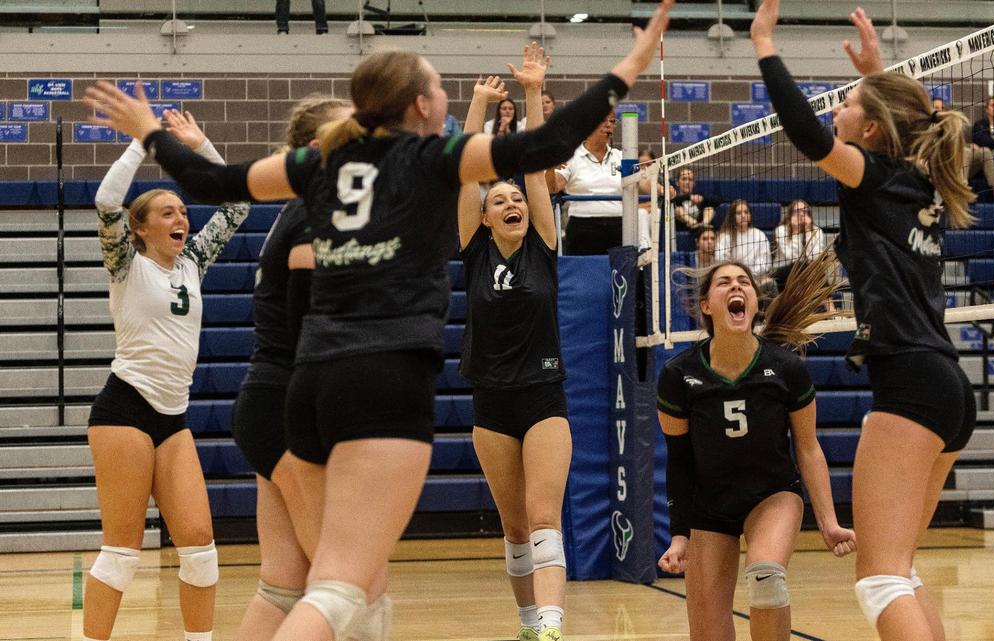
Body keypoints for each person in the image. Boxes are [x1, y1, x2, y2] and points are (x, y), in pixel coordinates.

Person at [84, 4, 675, 640]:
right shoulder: (426, 158)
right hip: (383, 382)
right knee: (347, 587)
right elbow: (545, 146)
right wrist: (628, 69)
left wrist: (149, 131)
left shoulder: (316, 170)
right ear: (418, 106)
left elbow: (213, 177)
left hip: (308, 384)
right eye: (437, 87)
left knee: (293, 583)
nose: (445, 95)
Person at [751, 3, 978, 640]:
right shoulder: (922, 180)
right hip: (948, 388)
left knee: (880, 578)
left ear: (871, 131)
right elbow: (900, 123)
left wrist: (765, 46)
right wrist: (877, 73)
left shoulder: (873, 175)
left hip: (909, 380)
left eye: (848, 102)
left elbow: (806, 134)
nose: (836, 109)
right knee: (900, 571)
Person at [86, 109, 250, 641]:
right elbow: (108, 202)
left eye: (182, 209)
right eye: (166, 212)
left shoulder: (192, 262)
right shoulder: (125, 263)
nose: (180, 217)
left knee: (201, 547)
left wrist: (201, 145)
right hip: (124, 409)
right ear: (141, 227)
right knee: (122, 551)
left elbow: (238, 202)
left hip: (173, 417)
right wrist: (141, 144)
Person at [656, 257, 856, 641]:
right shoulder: (678, 375)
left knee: (766, 577)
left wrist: (828, 522)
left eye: (744, 282)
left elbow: (808, 448)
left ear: (754, 301)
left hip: (772, 496)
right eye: (724, 283)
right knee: (708, 632)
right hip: (708, 505)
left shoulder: (785, 368)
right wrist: (680, 535)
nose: (736, 287)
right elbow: (679, 461)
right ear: (705, 306)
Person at [458, 44, 570, 641]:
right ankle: (528, 623)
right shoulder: (473, 249)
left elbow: (534, 168)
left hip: (542, 395)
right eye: (498, 200)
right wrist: (476, 107)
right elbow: (465, 171)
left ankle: (551, 623)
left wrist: (531, 93)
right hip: (490, 401)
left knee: (545, 514)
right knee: (514, 525)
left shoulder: (542, 247)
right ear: (483, 215)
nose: (512, 203)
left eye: (518, 201)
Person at [230, 95, 352, 641]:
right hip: (286, 405)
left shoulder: (300, 208)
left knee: (283, 585)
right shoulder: (311, 213)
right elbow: (310, 332)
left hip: (267, 404)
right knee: (344, 582)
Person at [546, 110, 623, 255]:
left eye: (612, 121)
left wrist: (662, 189)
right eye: (603, 121)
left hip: (619, 225)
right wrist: (550, 166)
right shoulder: (571, 156)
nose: (608, 126)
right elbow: (552, 187)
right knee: (584, 274)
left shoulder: (621, 156)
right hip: (583, 227)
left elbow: (643, 182)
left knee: (619, 275)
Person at [932, 97, 994, 202]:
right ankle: (963, 189)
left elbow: (958, 143)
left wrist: (970, 146)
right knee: (964, 151)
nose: (939, 111)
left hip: (959, 163)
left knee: (984, 151)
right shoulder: (927, 127)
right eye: (936, 108)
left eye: (941, 108)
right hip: (942, 165)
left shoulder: (949, 125)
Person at [771, 198, 825, 289]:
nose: (801, 214)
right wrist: (796, 231)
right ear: (790, 214)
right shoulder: (781, 230)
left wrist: (808, 232)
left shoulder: (816, 231)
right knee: (801, 265)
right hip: (783, 271)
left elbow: (815, 257)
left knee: (817, 270)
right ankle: (828, 301)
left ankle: (827, 301)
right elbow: (791, 257)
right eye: (797, 211)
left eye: (804, 211)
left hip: (807, 271)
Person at [715, 199, 771, 280]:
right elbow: (721, 261)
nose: (743, 215)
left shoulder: (760, 235)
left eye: (746, 212)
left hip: (755, 279)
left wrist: (748, 275)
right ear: (732, 217)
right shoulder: (725, 237)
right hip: (732, 278)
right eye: (738, 213)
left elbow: (765, 263)